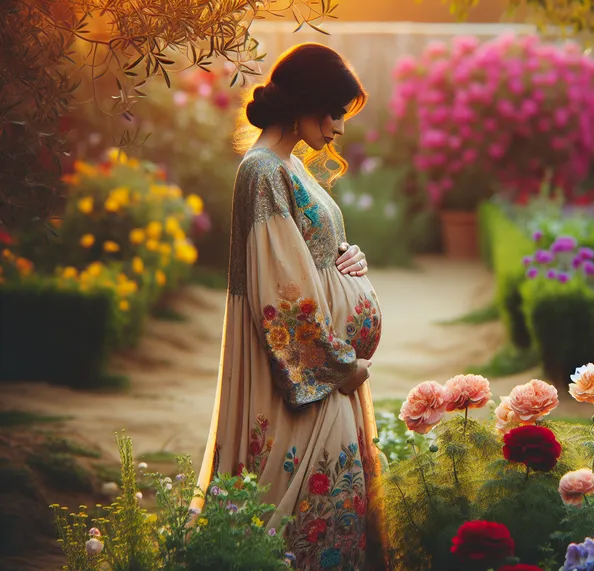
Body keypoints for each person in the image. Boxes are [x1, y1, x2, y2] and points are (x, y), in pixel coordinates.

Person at [193, 43, 388, 570]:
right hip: (304, 382)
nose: (339, 128)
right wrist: (340, 366)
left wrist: (349, 258)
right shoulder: (262, 172)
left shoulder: (289, 168)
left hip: (327, 380)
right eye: (334, 112)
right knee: (308, 524)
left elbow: (313, 257)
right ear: (304, 101)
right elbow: (283, 296)